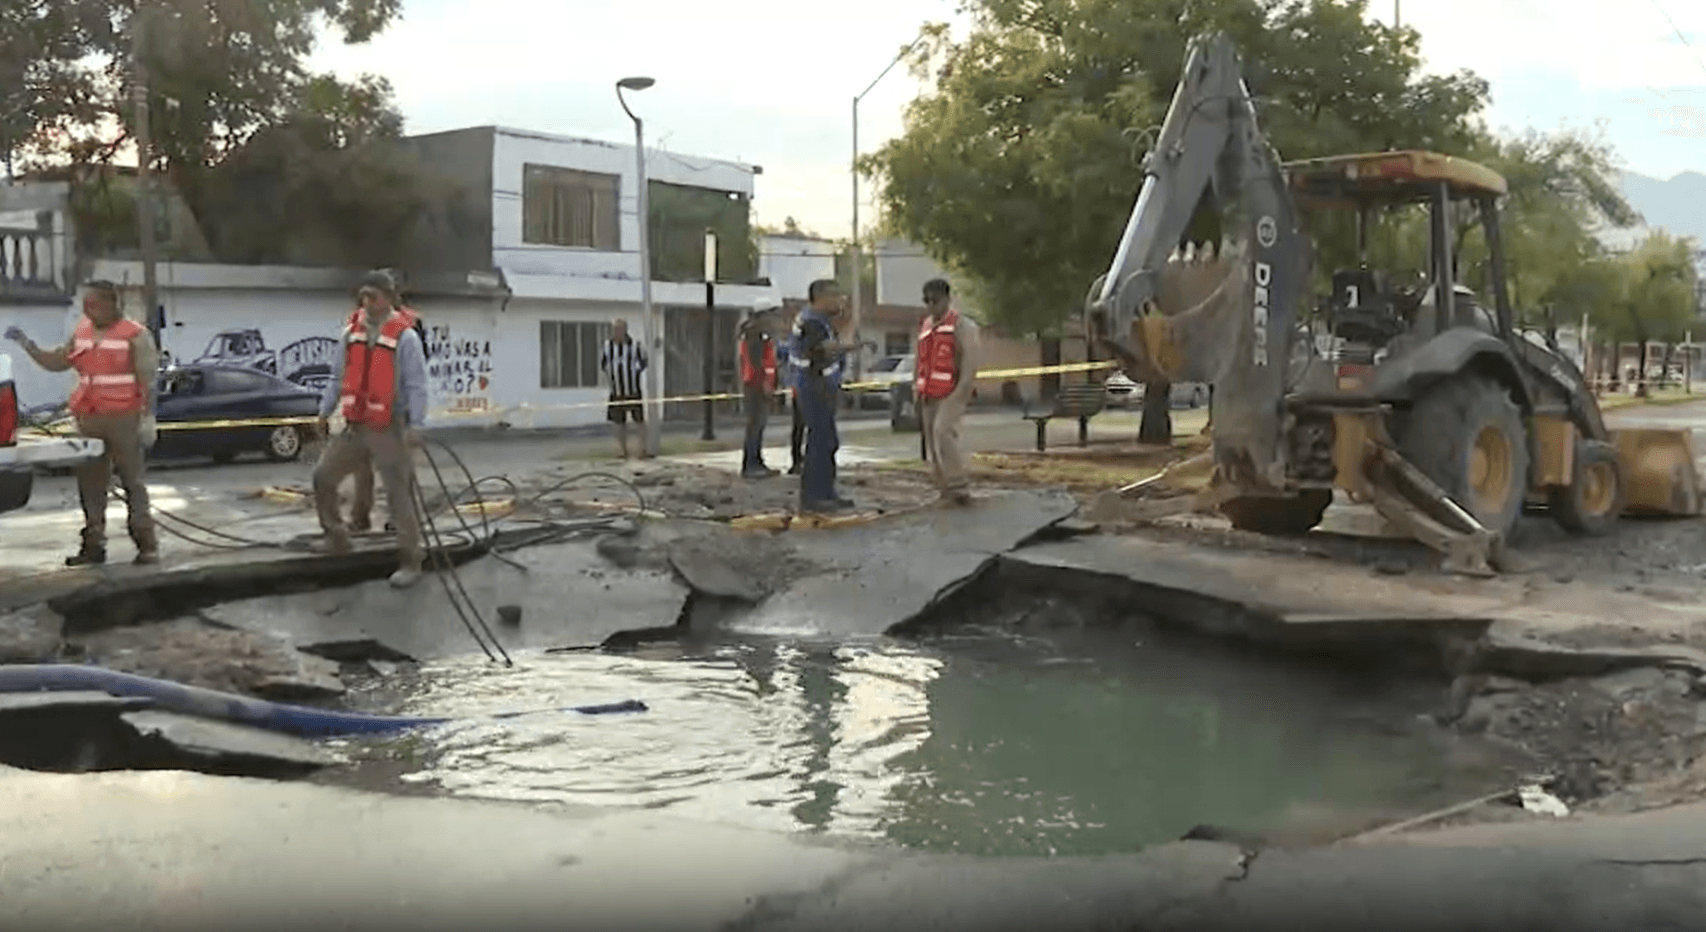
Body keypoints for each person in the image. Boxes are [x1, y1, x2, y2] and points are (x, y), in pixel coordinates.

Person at [4, 280, 160, 566]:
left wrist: (147, 419)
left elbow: (148, 381)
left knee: (132, 482)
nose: (87, 310)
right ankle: (93, 545)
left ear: (112, 304)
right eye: (85, 305)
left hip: (124, 418)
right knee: (90, 483)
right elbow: (58, 361)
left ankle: (146, 544)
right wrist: (29, 346)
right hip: (89, 417)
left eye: (93, 305)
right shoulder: (83, 331)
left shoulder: (136, 335)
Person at [312, 270, 429, 589]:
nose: (367, 302)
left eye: (373, 296)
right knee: (323, 477)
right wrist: (324, 412)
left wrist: (416, 425)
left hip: (390, 427)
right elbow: (337, 378)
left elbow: (417, 384)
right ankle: (337, 537)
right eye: (363, 296)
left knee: (398, 495)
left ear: (389, 298)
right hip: (356, 425)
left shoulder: (406, 337)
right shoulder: (350, 334)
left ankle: (410, 560)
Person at [349, 299, 425, 534]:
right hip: (363, 411)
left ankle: (400, 519)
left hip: (395, 412)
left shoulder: (407, 329)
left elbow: (416, 376)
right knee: (362, 470)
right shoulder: (357, 325)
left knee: (397, 472)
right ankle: (360, 518)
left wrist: (416, 421)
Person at [787, 279, 854, 512]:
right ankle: (814, 496)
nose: (839, 300)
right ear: (821, 297)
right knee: (820, 441)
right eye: (835, 296)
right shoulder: (812, 321)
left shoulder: (819, 320)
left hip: (819, 385)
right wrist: (844, 342)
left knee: (828, 441)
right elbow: (818, 350)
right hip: (814, 386)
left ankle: (826, 492)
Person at [914, 278, 981, 506]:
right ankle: (944, 489)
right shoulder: (925, 326)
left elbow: (971, 360)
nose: (931, 305)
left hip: (952, 391)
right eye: (927, 301)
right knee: (932, 442)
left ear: (947, 299)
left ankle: (959, 486)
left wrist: (963, 390)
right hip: (928, 393)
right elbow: (920, 359)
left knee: (943, 433)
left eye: (936, 300)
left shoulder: (962, 326)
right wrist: (917, 386)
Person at [738, 300, 782, 479]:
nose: (772, 318)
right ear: (761, 315)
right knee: (755, 425)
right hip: (755, 384)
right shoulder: (754, 334)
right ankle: (751, 465)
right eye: (770, 314)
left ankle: (757, 461)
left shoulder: (756, 333)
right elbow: (757, 362)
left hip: (757, 383)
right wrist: (765, 384)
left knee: (758, 425)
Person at [600, 319, 648, 459]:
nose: (617, 332)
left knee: (639, 420)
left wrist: (635, 370)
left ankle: (642, 449)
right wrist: (612, 373)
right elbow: (603, 364)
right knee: (618, 422)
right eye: (615, 329)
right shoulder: (607, 346)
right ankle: (622, 450)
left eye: (619, 329)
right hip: (616, 391)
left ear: (625, 330)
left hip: (632, 389)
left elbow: (644, 361)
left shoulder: (635, 345)